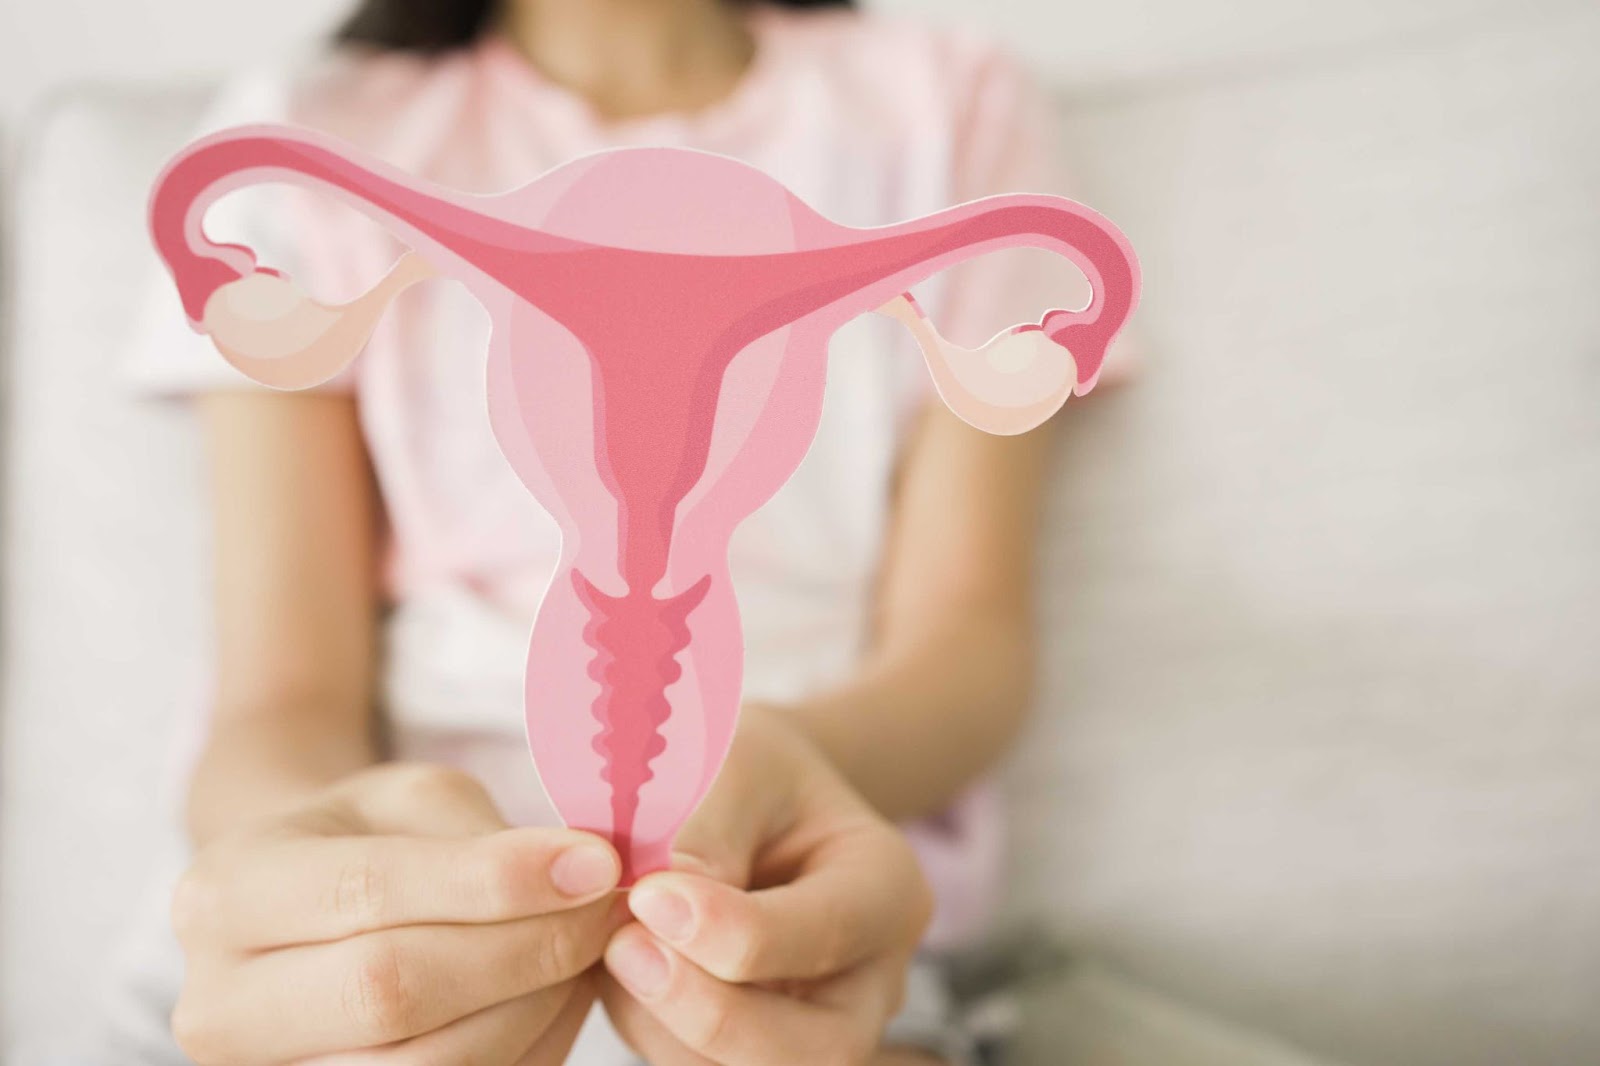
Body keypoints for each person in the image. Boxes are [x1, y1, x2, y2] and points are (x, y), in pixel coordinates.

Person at [108, 0, 1111, 1062]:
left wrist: (779, 771)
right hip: (379, 934)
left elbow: (965, 644)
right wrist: (336, 873)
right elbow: (276, 705)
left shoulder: (943, 108)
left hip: (785, 917)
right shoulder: (314, 140)